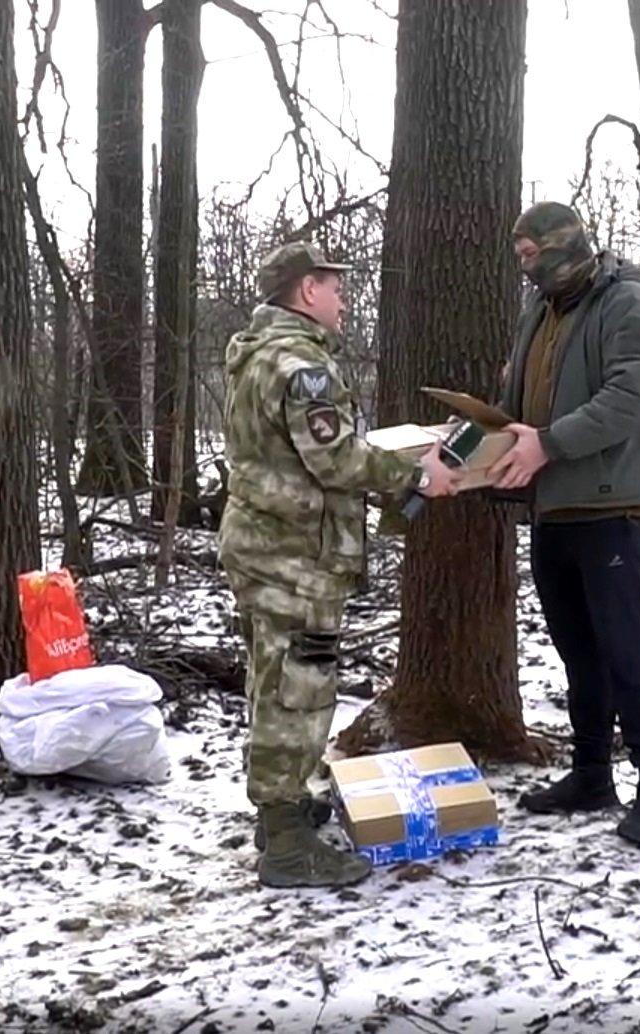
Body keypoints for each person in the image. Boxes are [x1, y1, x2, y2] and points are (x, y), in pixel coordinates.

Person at [218, 240, 459, 888]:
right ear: (305, 292)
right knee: (299, 694)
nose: (343, 298)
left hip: (262, 546)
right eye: (334, 285)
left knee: (274, 684)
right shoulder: (303, 366)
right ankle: (289, 847)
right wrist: (417, 473)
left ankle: (282, 813)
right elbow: (336, 461)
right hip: (295, 557)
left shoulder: (252, 353)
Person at [487, 201, 640, 848]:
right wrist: (472, 448)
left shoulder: (628, 304)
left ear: (563, 246)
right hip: (554, 505)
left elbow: (631, 398)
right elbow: (517, 403)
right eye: (519, 258)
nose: (525, 268)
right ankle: (592, 774)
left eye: (531, 255)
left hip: (611, 505)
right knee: (579, 653)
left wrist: (547, 443)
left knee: (628, 652)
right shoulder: (539, 314)